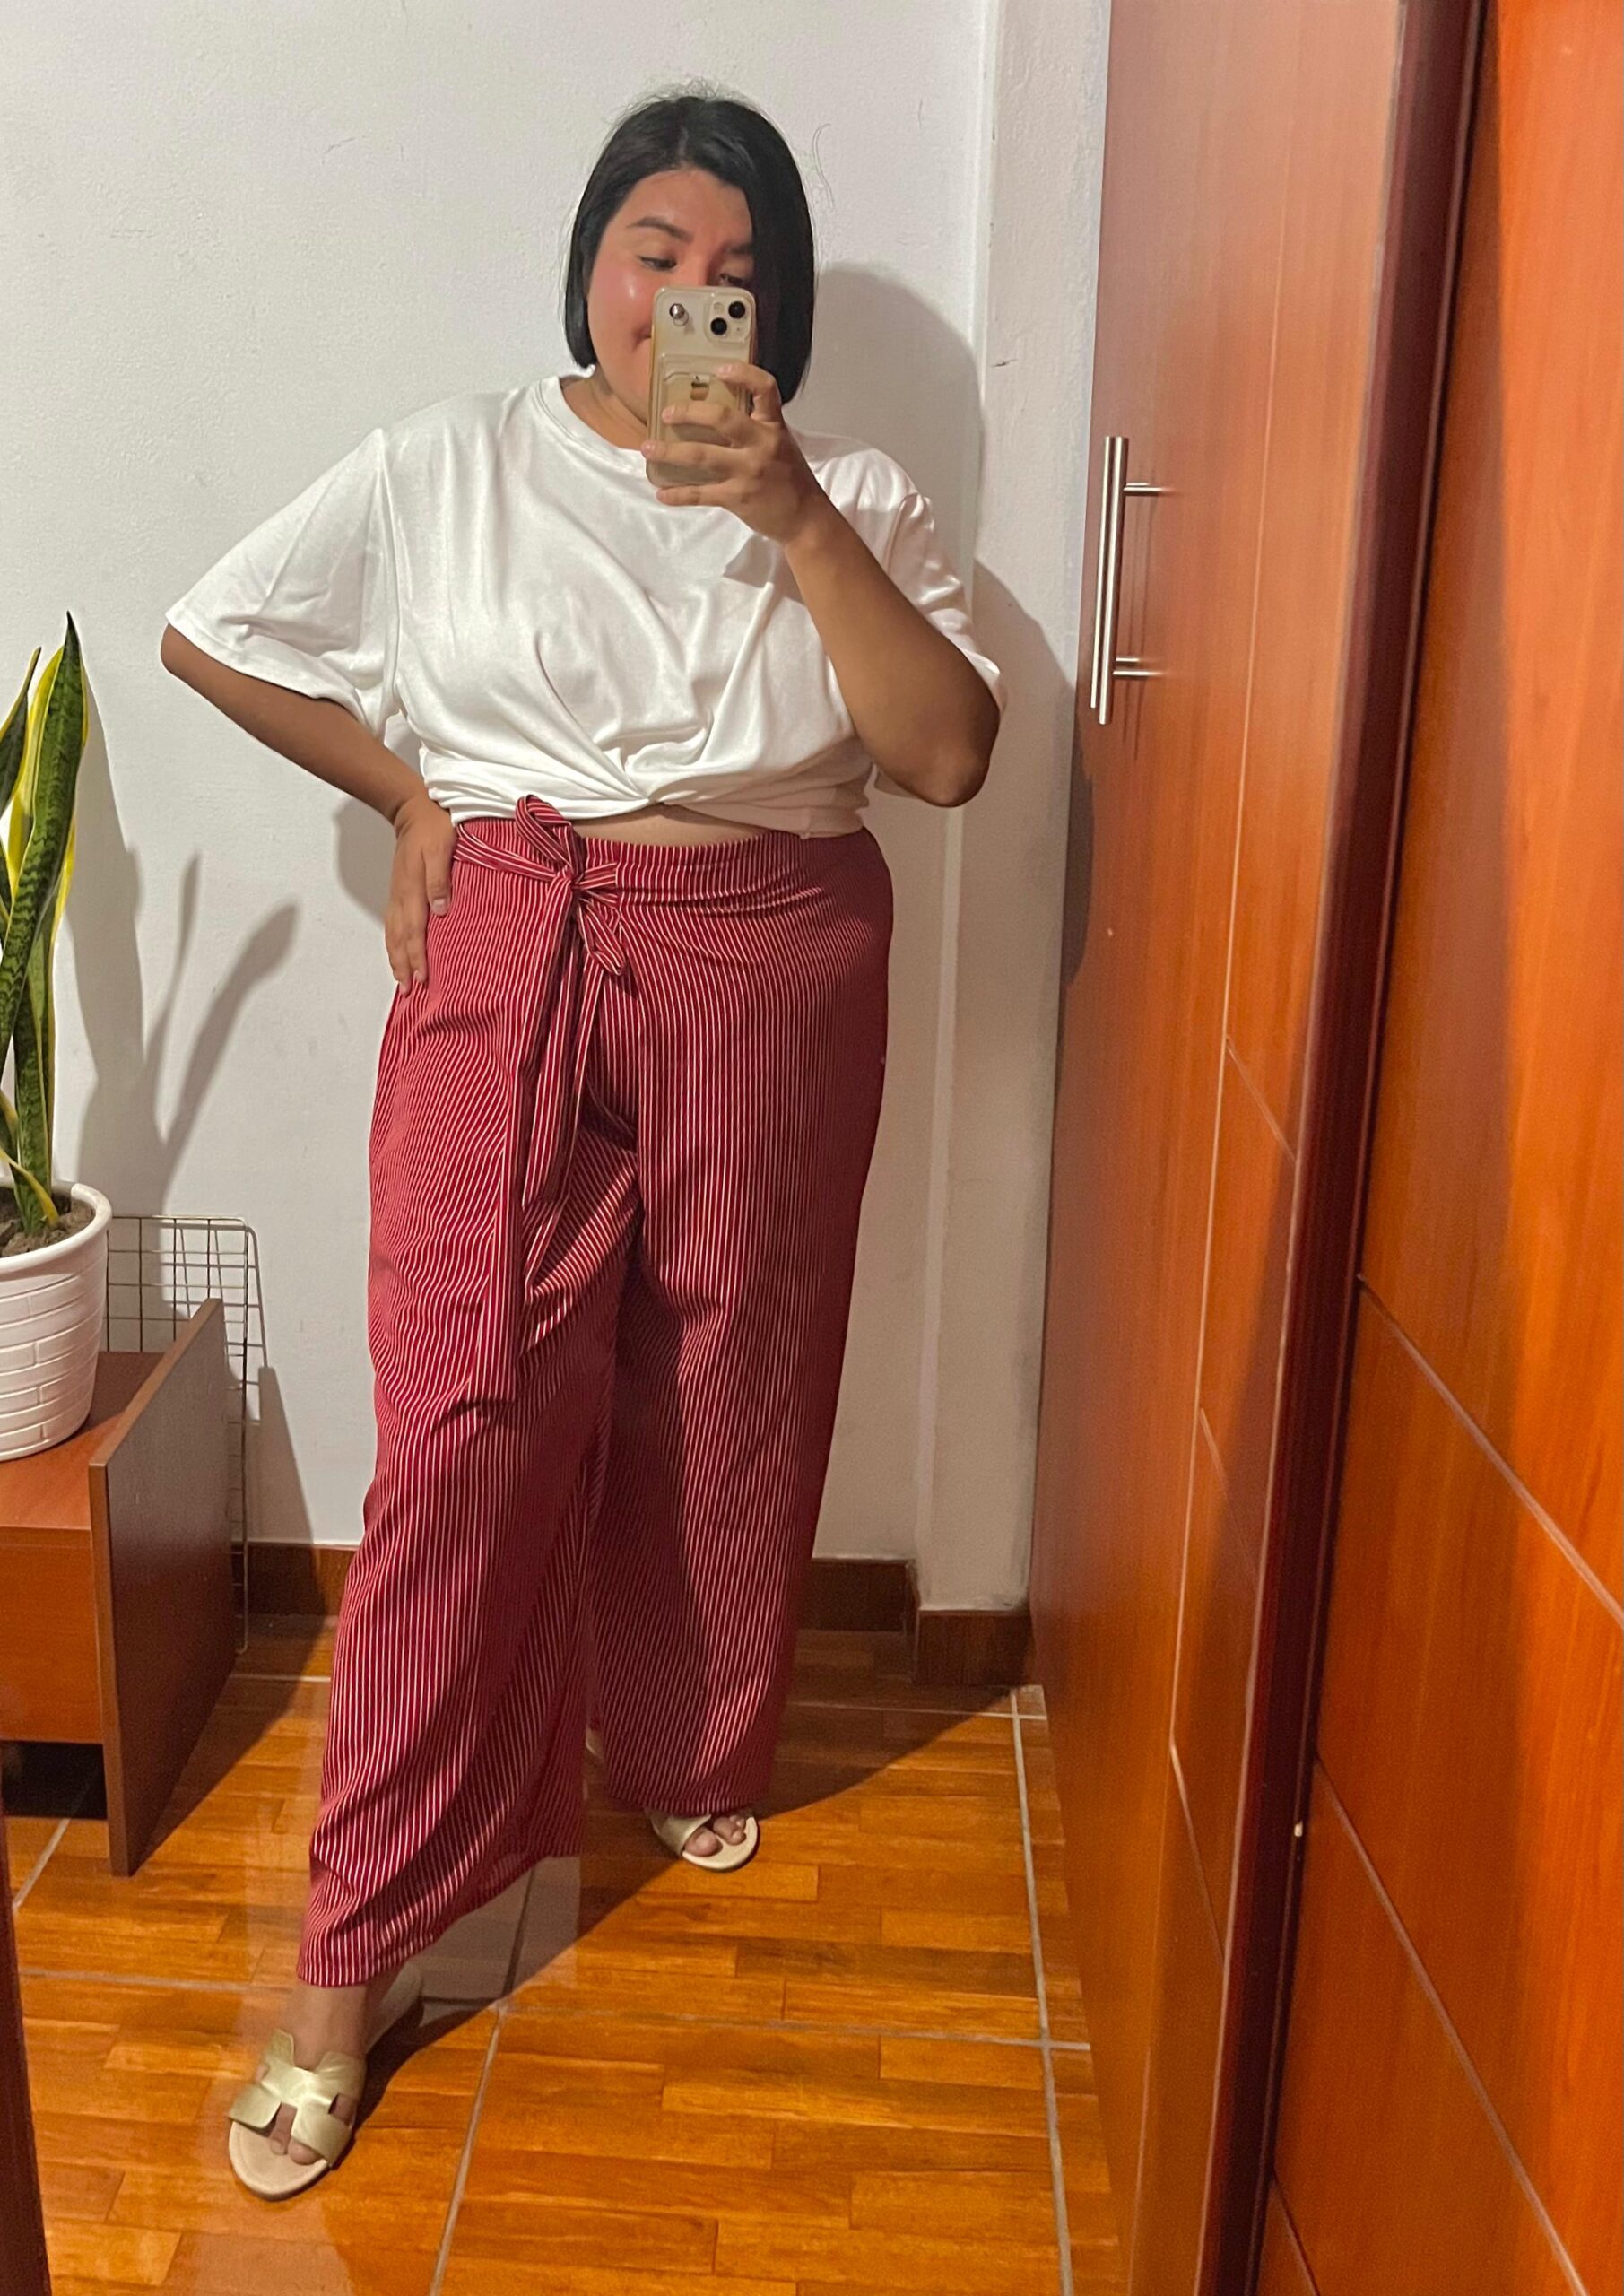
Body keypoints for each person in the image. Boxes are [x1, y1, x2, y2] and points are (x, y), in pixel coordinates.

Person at [161, 84, 1005, 2199]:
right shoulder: (447, 463)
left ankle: (685, 1738)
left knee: (730, 1369)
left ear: (774, 316)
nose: (690, 297)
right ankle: (350, 1956)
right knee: (463, 1415)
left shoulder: (854, 492)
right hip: (517, 933)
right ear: (590, 267)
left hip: (775, 947)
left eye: (737, 272)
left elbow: (948, 754)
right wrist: (408, 792)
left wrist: (797, 518)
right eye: (656, 251)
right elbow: (214, 629)